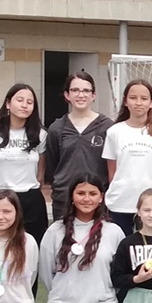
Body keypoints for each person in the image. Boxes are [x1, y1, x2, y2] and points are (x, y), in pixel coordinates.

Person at [39, 175, 126, 303]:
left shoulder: (114, 231)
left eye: (92, 193)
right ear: (72, 196)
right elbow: (46, 270)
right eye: (81, 193)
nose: (86, 199)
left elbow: (119, 272)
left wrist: (107, 292)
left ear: (101, 197)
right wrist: (63, 291)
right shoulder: (55, 231)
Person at [104, 78, 152, 235]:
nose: (138, 103)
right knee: (120, 246)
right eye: (133, 98)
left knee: (147, 247)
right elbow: (112, 173)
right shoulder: (114, 132)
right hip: (120, 203)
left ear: (151, 103)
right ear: (125, 101)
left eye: (144, 98)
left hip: (150, 206)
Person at [44, 70, 113, 221]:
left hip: (96, 200)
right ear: (67, 95)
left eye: (86, 91)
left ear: (93, 95)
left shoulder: (107, 127)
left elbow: (112, 166)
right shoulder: (57, 128)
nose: (81, 95)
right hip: (64, 199)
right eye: (75, 90)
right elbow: (52, 167)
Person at [0, 83, 48, 245]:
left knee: (32, 245)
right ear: (8, 103)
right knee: (1, 245)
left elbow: (40, 173)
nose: (24, 105)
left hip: (31, 198)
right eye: (20, 100)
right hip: (2, 198)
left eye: (30, 102)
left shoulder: (40, 135)